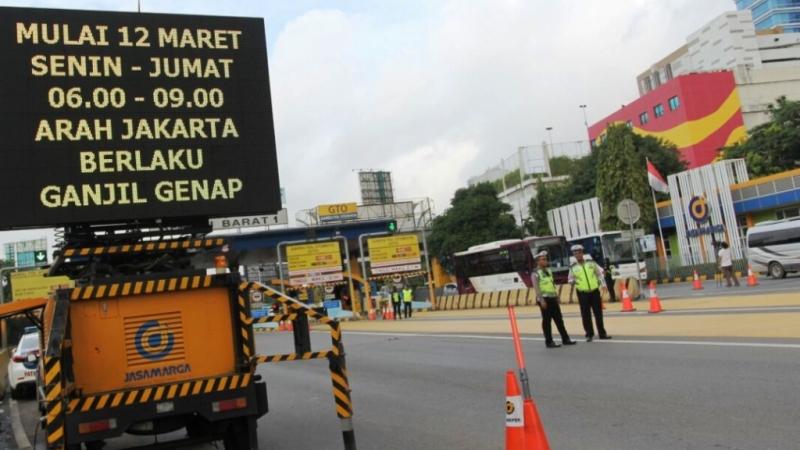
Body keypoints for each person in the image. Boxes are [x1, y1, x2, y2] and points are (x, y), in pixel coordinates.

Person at [531, 251, 577, 348]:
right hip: (544, 299)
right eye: (543, 259)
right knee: (547, 321)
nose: (546, 261)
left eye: (546, 259)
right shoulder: (535, 273)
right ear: (538, 262)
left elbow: (551, 284)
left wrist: (556, 296)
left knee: (559, 319)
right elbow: (536, 288)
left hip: (552, 298)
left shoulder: (549, 271)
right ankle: (549, 341)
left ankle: (566, 339)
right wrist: (541, 300)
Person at [568, 244, 612, 342]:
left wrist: (603, 285)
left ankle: (602, 333)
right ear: (574, 255)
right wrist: (573, 282)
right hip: (582, 293)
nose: (577, 255)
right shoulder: (573, 267)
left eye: (579, 252)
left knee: (598, 313)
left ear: (582, 253)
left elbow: (599, 275)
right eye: (575, 253)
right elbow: (570, 279)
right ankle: (589, 334)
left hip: (594, 292)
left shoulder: (591, 263)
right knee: (585, 314)